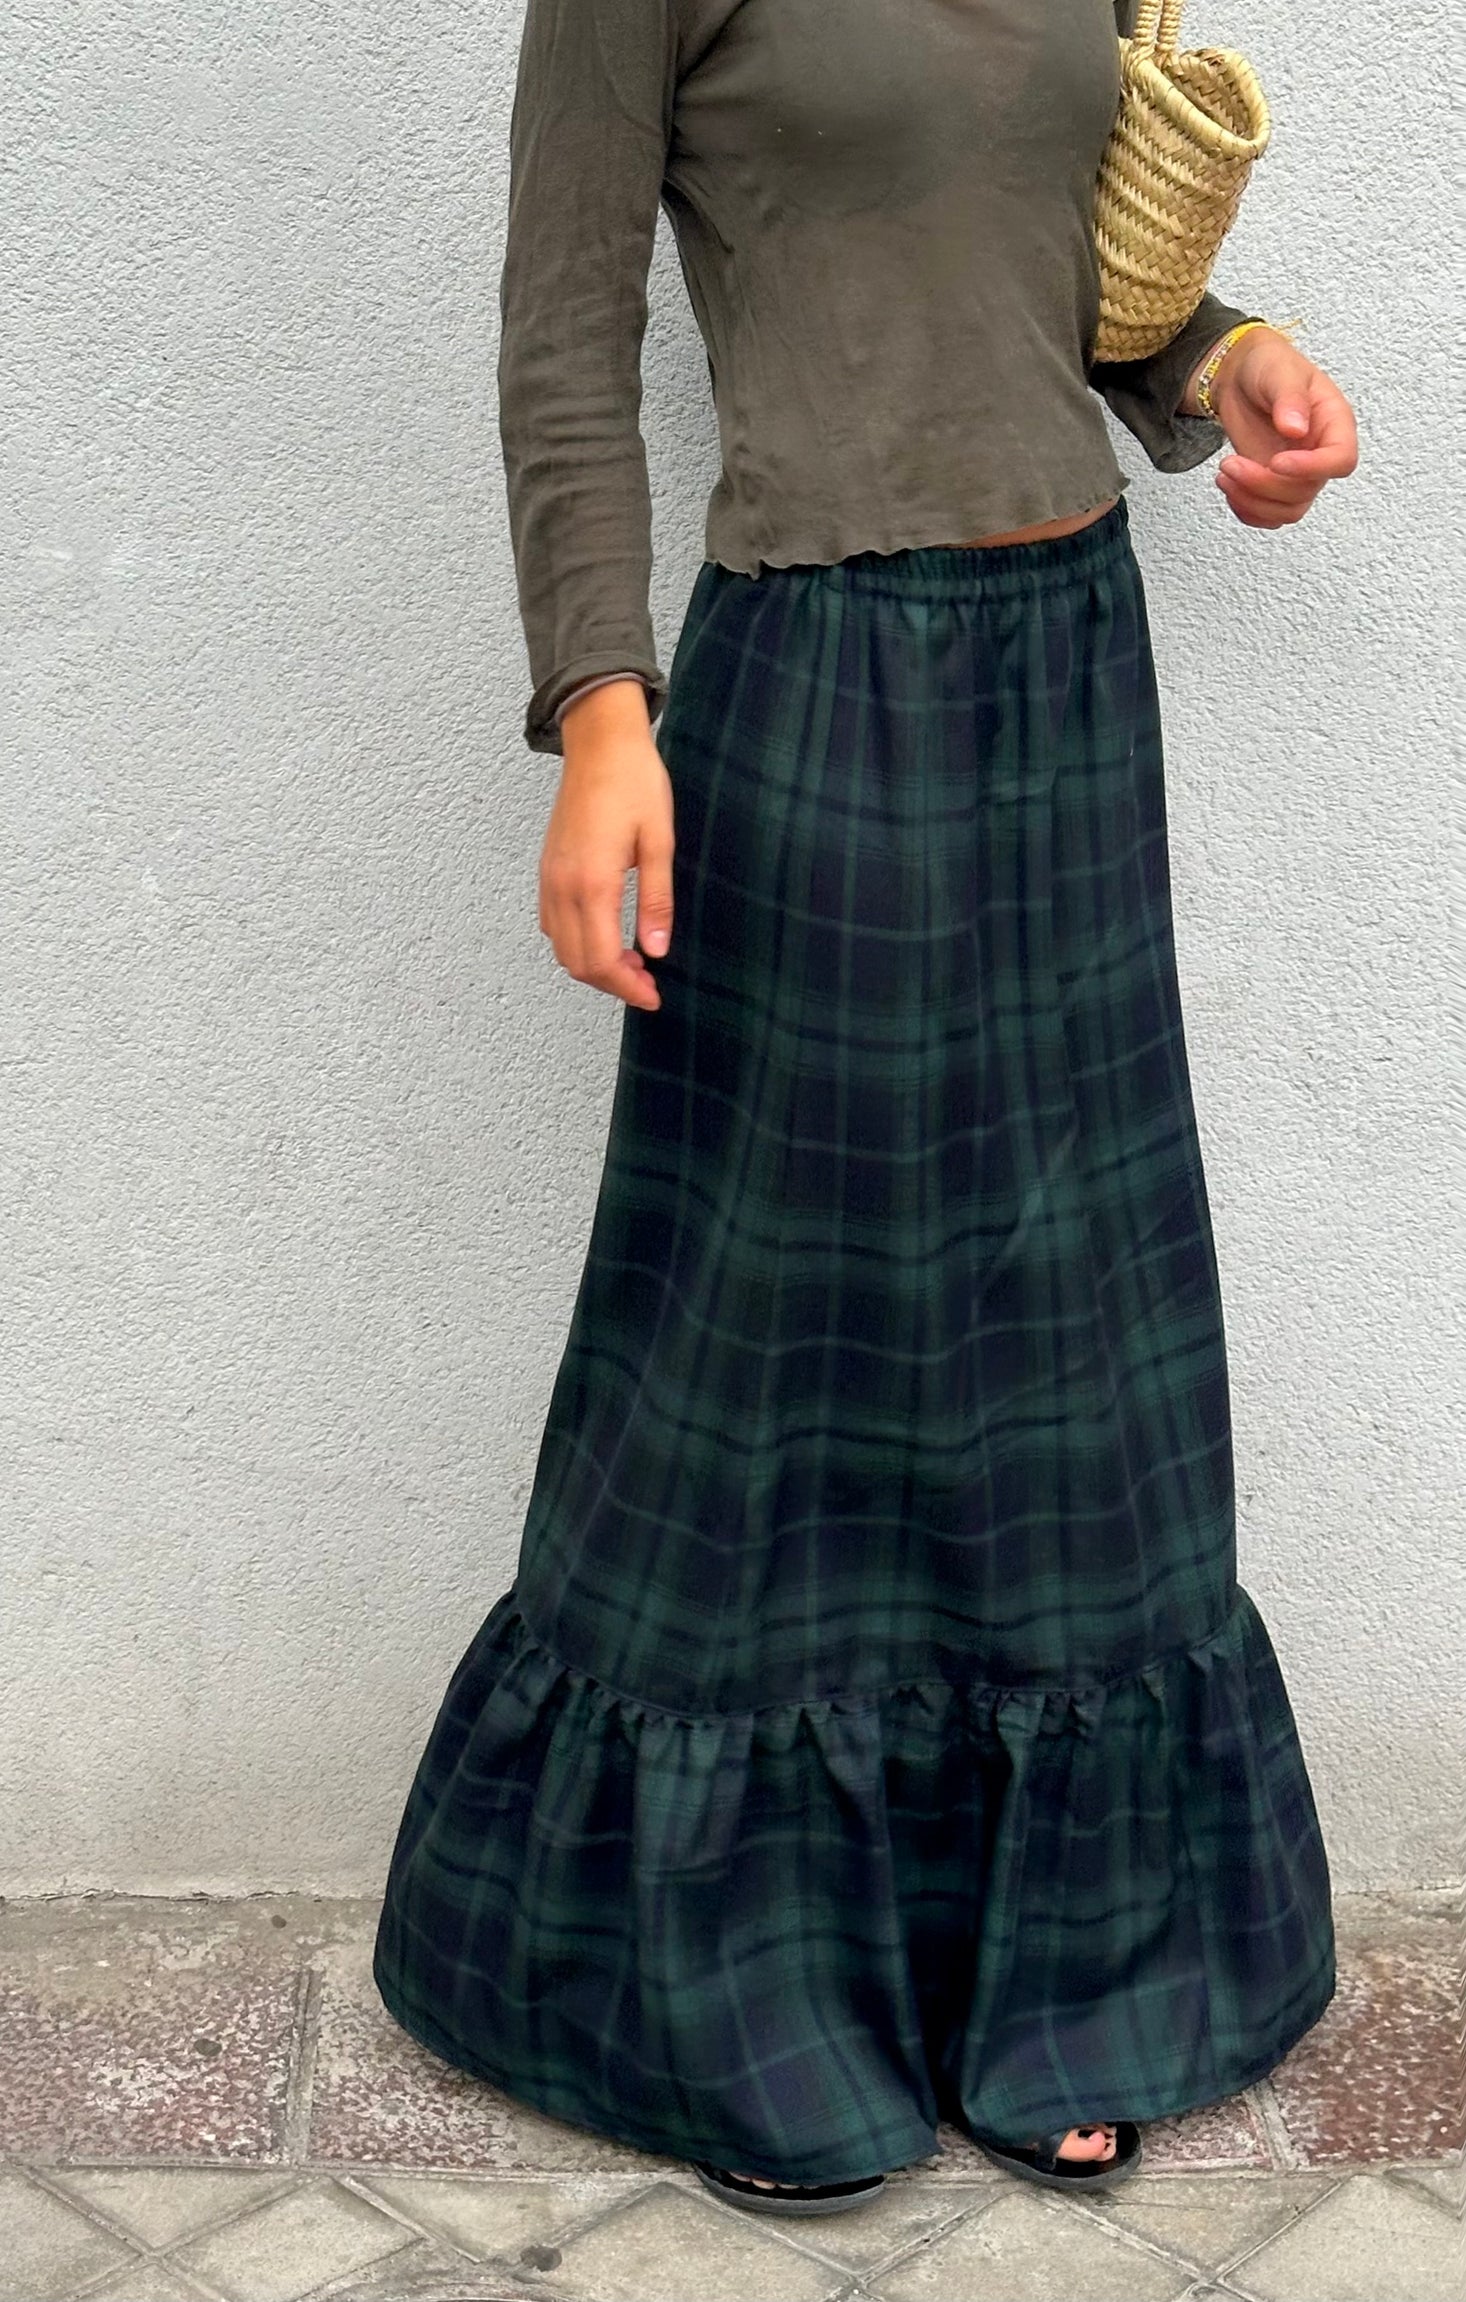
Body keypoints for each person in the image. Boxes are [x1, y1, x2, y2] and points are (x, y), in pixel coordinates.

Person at [373, 0, 1358, 2217]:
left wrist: (1224, 362)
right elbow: (561, 333)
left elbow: (1069, 282)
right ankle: (749, 1992)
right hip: (818, 668)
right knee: (773, 1330)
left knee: (1066, 1324)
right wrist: (599, 715)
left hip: (1068, 658)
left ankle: (1071, 1978)